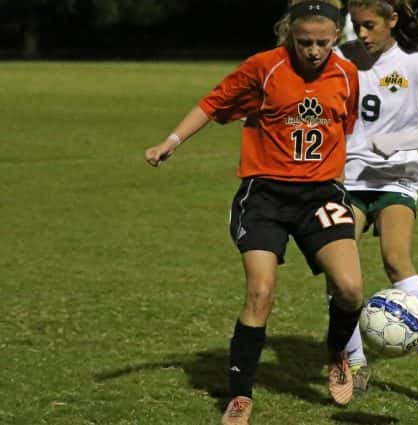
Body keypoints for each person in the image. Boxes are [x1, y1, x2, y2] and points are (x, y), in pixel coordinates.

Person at [144, 1, 362, 423]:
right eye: (304, 43)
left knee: (351, 289)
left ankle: (336, 352)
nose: (314, 51)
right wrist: (171, 141)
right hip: (264, 198)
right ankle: (240, 395)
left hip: (322, 196)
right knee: (260, 293)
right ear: (289, 36)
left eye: (322, 42)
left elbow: (343, 126)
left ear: (336, 37)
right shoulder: (264, 67)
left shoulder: (347, 74)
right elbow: (213, 103)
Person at [333, 0, 418, 398]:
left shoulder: (416, 63)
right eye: (356, 26)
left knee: (395, 258)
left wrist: (397, 142)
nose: (363, 34)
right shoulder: (340, 59)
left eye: (370, 25)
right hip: (348, 180)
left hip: (396, 178)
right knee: (341, 271)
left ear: (392, 21)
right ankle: (354, 362)